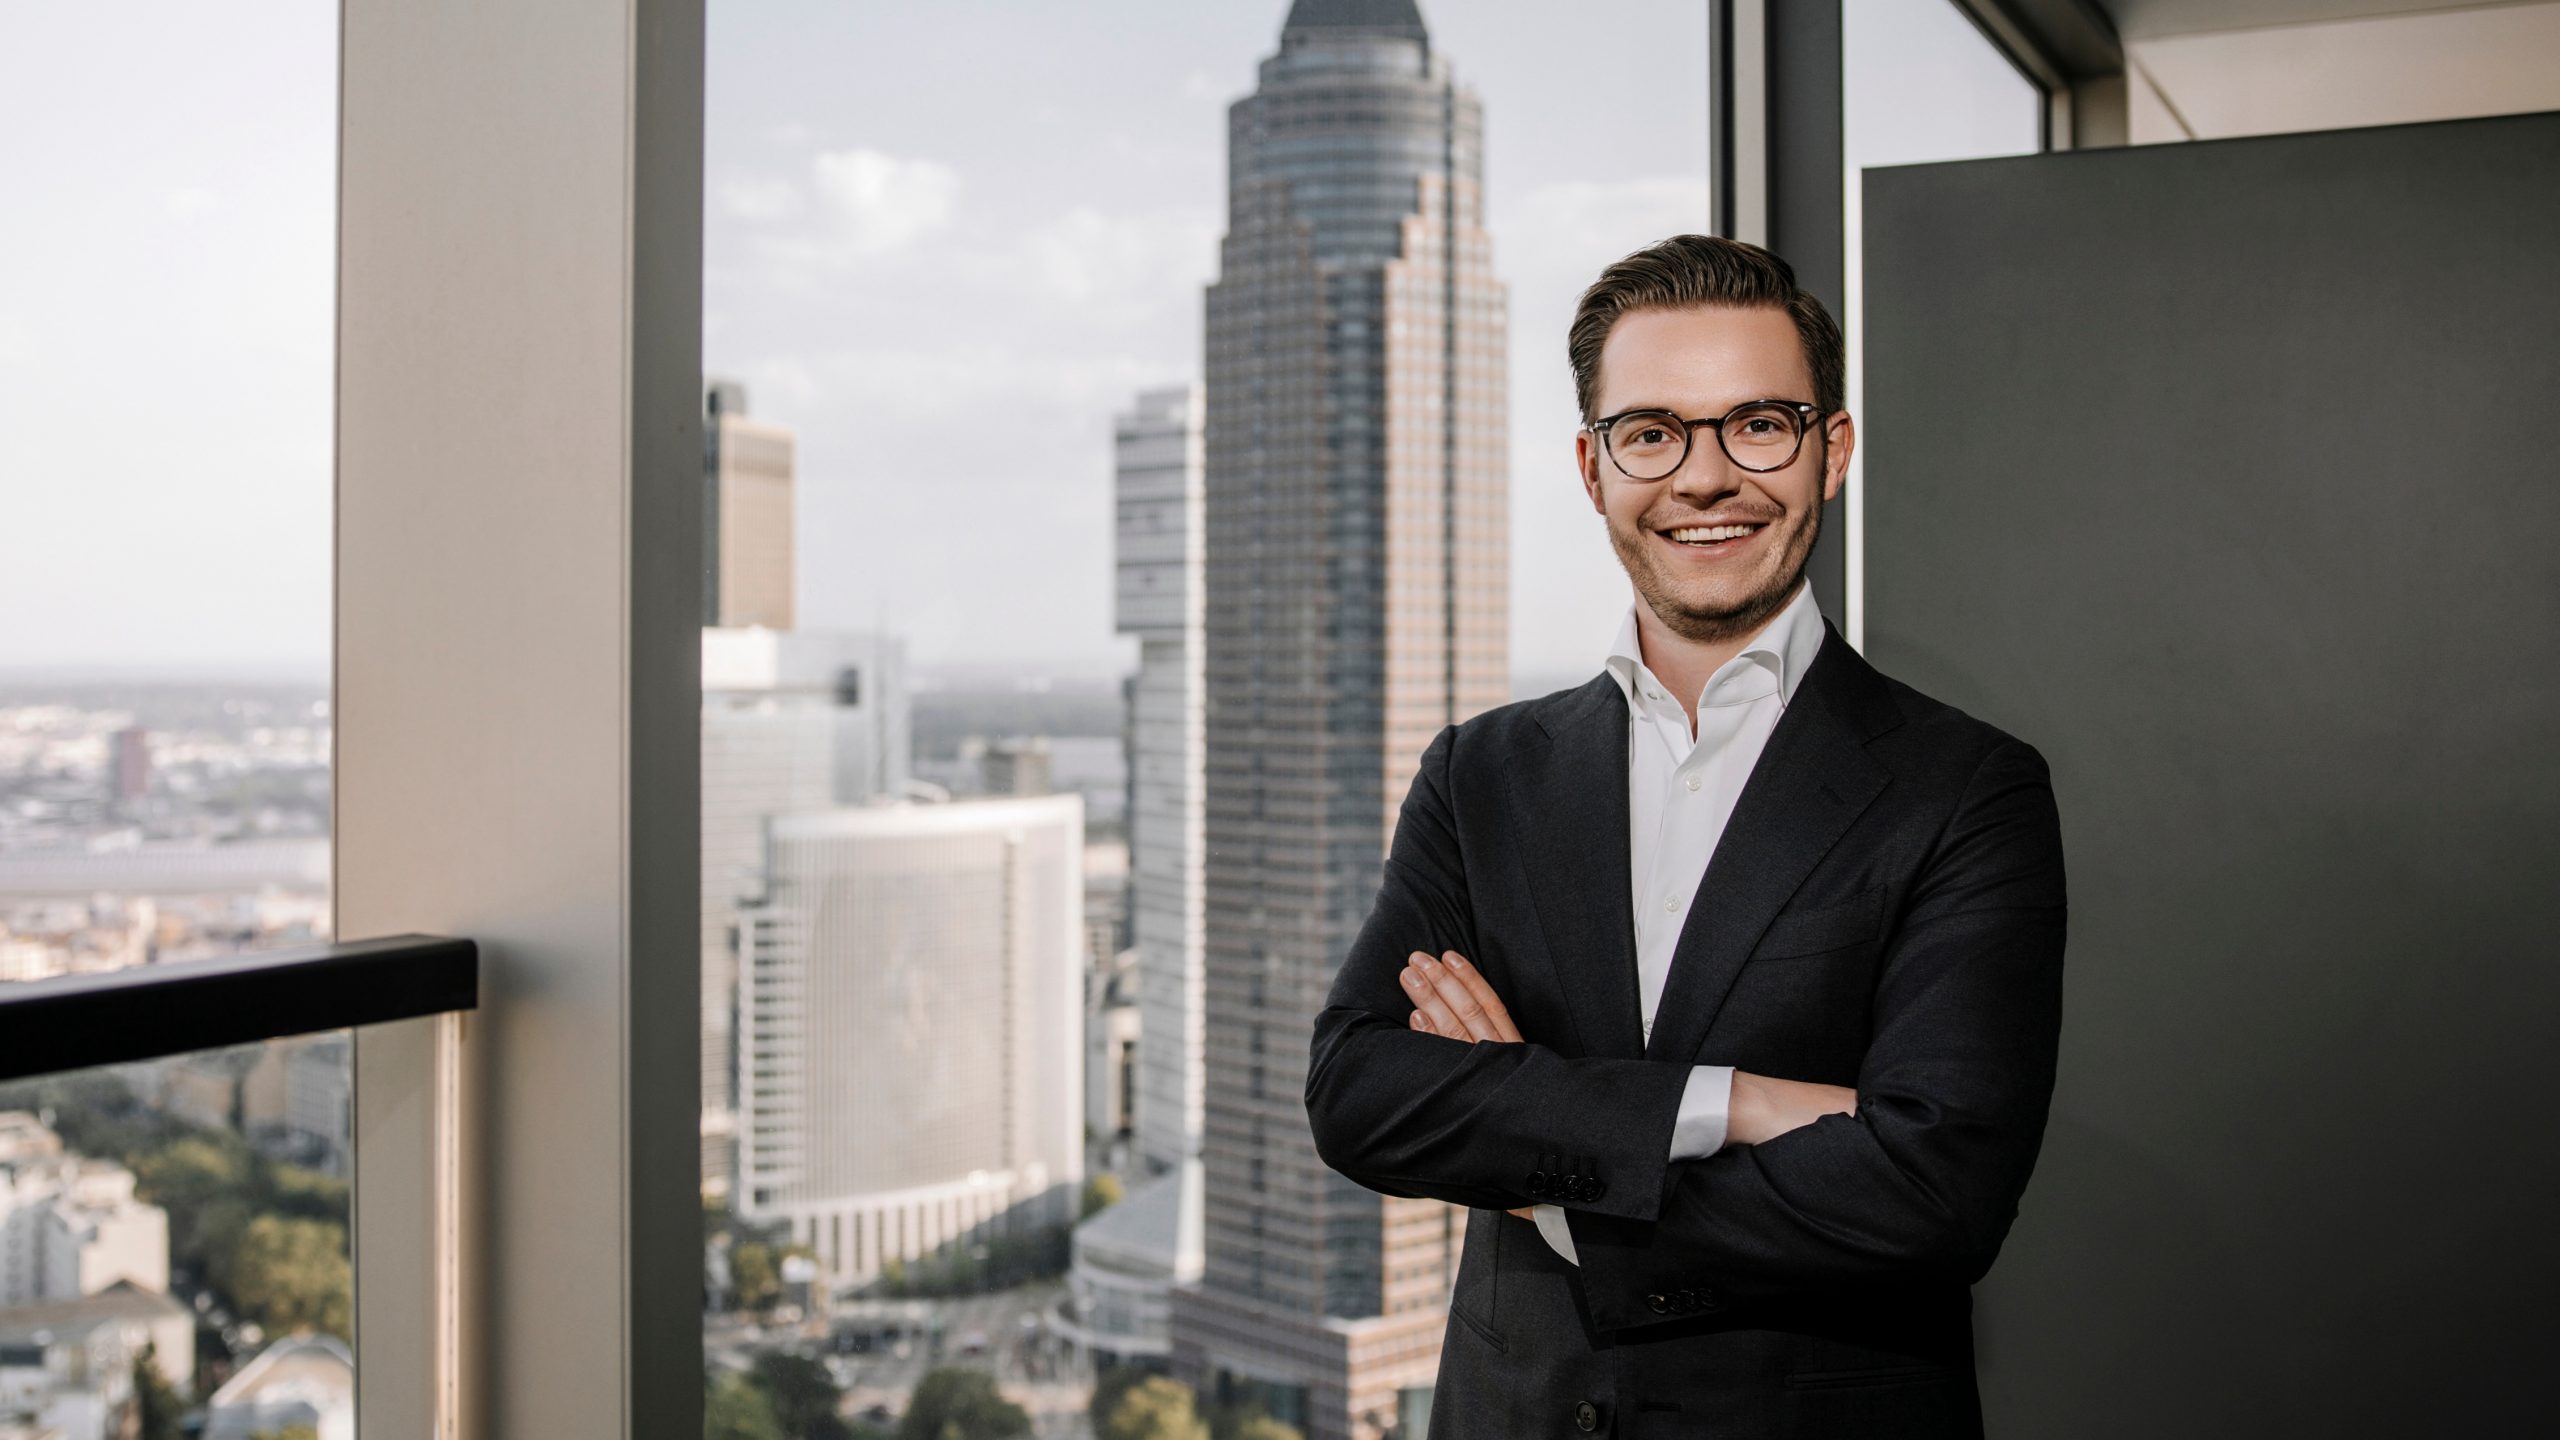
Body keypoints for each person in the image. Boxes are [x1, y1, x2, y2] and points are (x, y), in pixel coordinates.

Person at [1303, 233, 2067, 1438]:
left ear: (1832, 452)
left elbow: (1935, 1190)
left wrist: (1544, 1169)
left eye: (1757, 425)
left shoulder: (1967, 790)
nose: (1703, 478)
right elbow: (1360, 1092)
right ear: (1593, 468)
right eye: (1651, 433)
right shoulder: (1481, 774)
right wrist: (1736, 1105)